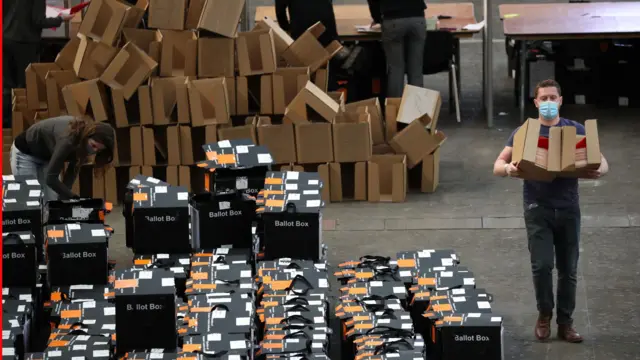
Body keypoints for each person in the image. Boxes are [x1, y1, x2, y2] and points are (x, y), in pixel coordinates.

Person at [492, 79, 609, 343]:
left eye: (552, 98)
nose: (547, 103)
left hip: (568, 208)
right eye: (542, 98)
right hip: (537, 208)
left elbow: (602, 160)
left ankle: (565, 323)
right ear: (535, 103)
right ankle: (544, 314)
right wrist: (509, 169)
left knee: (569, 268)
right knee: (542, 265)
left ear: (560, 100)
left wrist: (599, 170)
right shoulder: (525, 132)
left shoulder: (574, 129)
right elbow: (498, 164)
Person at [3, 0, 76, 128]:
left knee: (7, 86)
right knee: (24, 86)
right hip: (24, 42)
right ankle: (20, 125)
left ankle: (6, 124)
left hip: (6, 39)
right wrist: (61, 19)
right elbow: (38, 21)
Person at [10, 116, 115, 202]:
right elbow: (51, 178)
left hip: (47, 157)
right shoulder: (68, 140)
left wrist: (65, 199)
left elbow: (71, 173)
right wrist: (73, 197)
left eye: (98, 150)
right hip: (25, 153)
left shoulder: (85, 145)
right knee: (30, 198)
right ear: (87, 136)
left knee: (52, 201)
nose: (93, 151)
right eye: (93, 146)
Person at [366, 0, 427, 97]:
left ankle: (395, 108)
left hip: (393, 18)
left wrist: (377, 18)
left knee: (396, 69)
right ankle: (417, 109)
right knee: (416, 69)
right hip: (417, 17)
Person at [275, 0, 339, 48]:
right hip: (327, 29)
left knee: (305, 61)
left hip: (302, 32)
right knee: (333, 59)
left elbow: (280, 10)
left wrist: (286, 27)